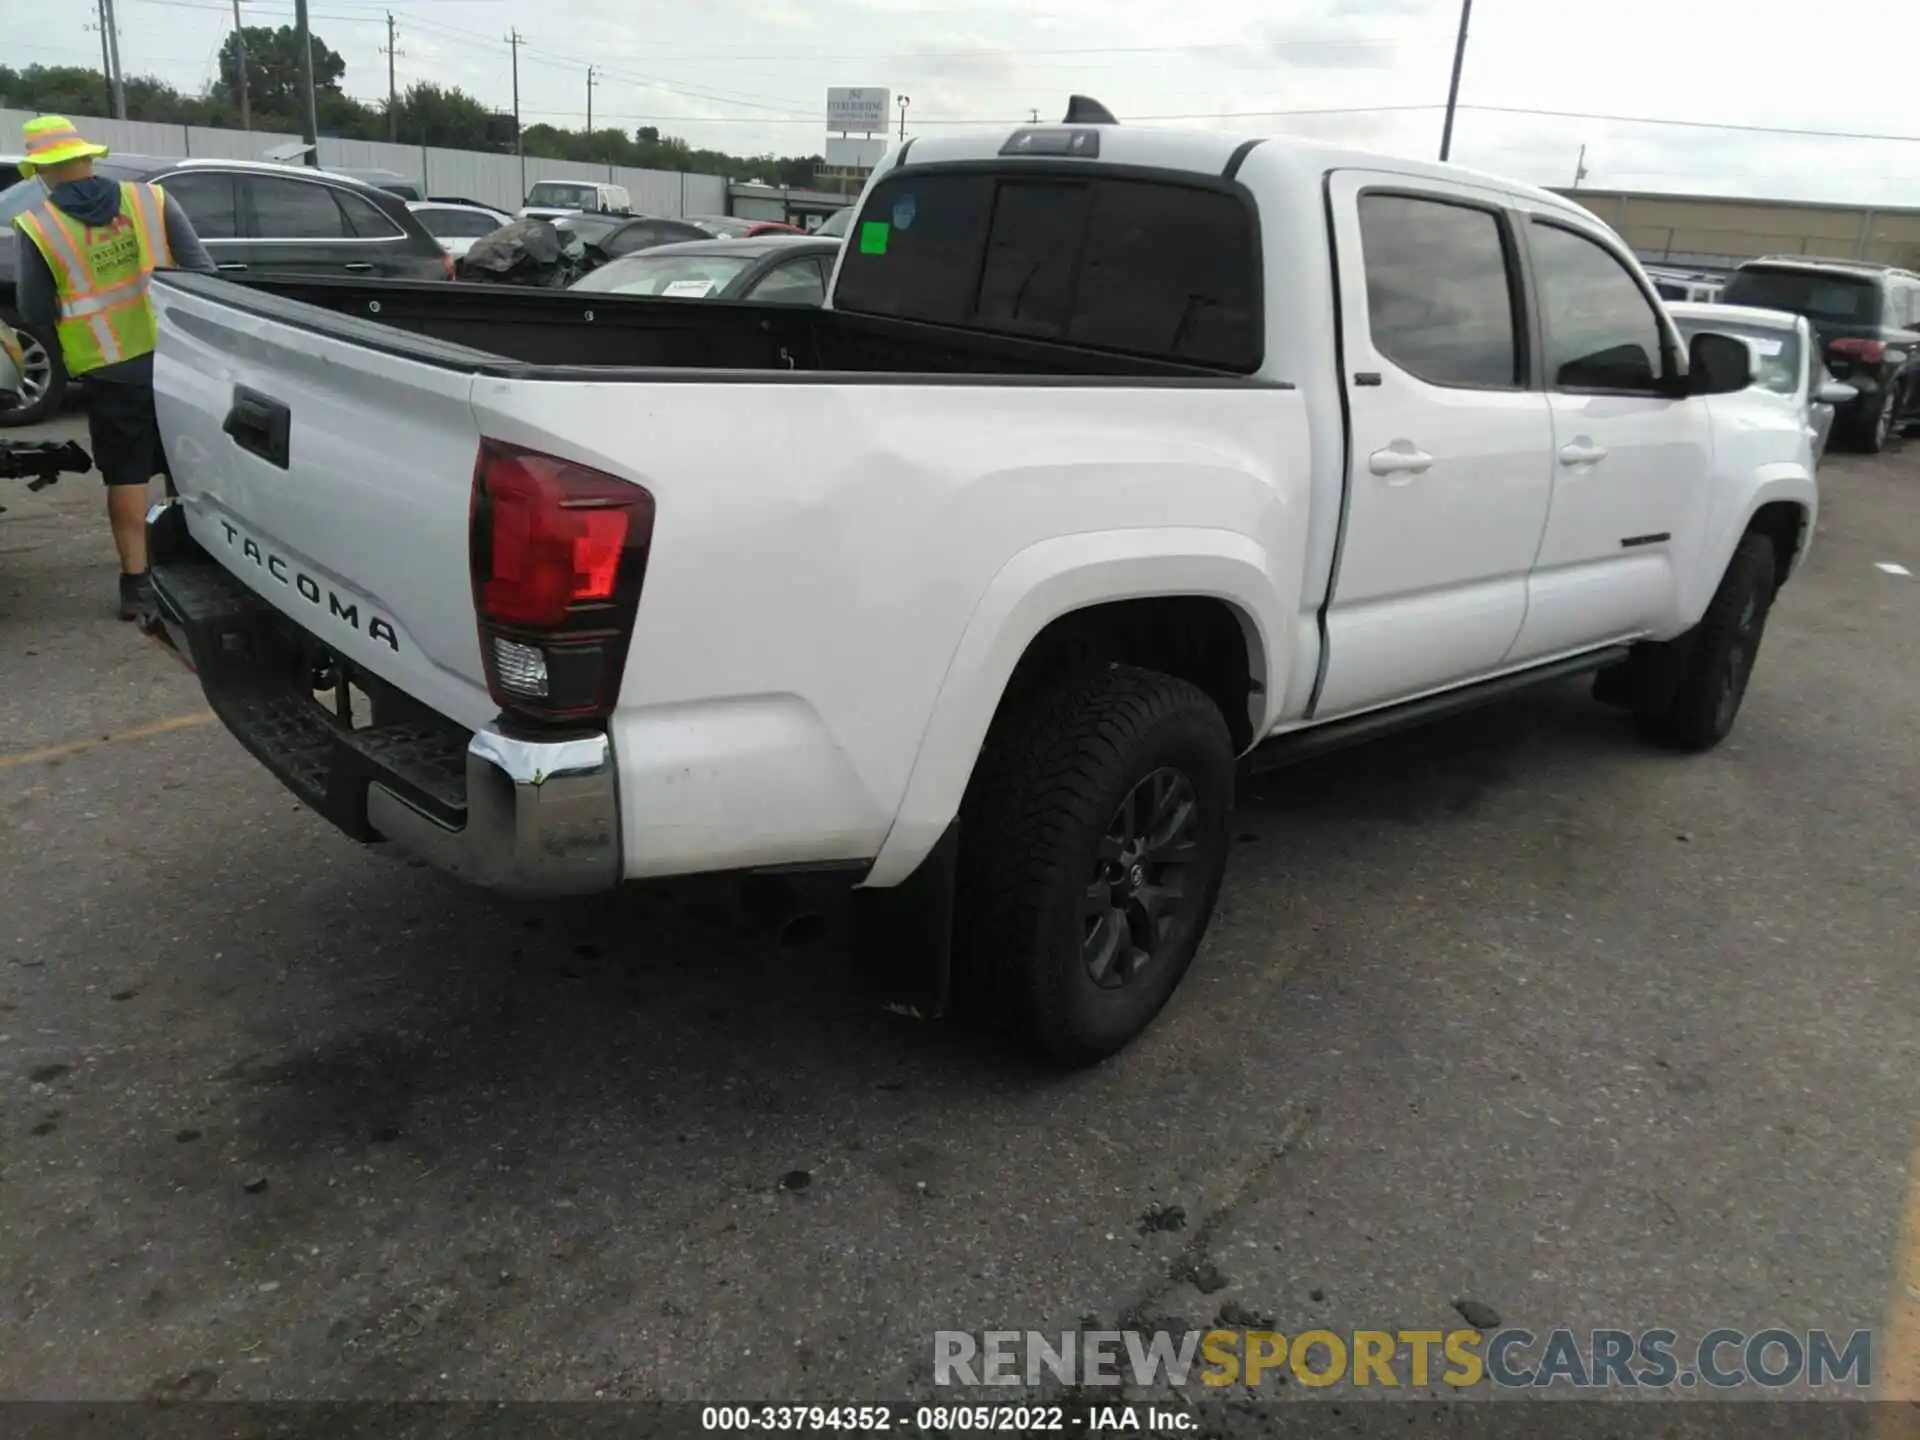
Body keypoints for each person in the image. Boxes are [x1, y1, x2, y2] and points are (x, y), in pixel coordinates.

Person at [11, 115, 215, 622]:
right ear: (86, 157)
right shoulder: (151, 201)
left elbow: (34, 309)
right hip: (177, 358)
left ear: (42, 171)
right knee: (184, 462)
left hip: (109, 367)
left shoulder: (38, 227)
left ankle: (137, 583)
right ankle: (197, 562)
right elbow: (203, 272)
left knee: (126, 476)